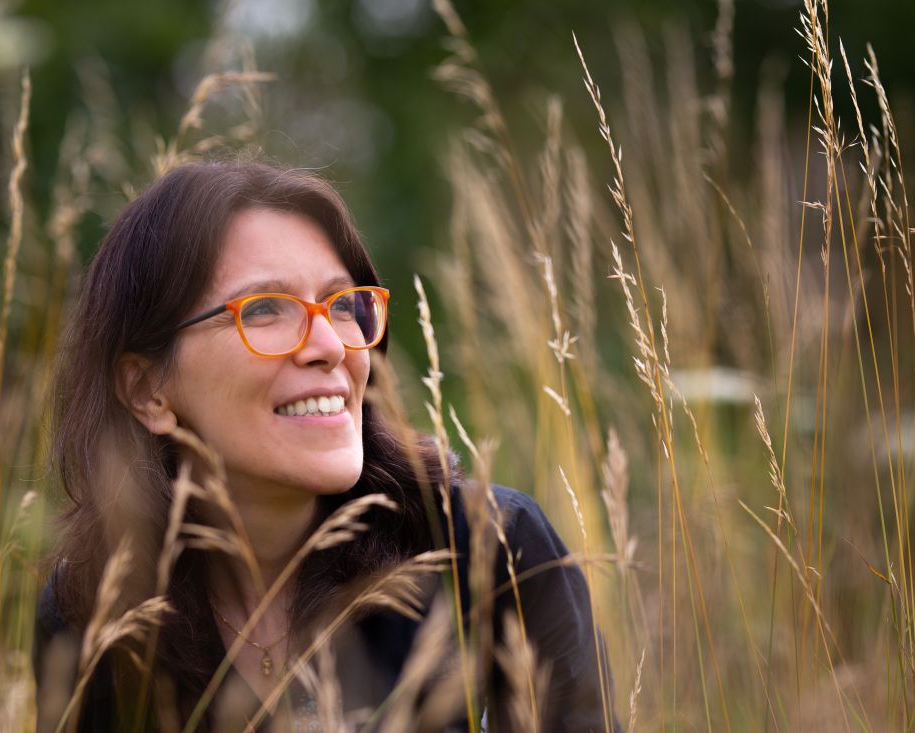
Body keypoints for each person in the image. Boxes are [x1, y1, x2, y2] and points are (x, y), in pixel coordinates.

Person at [35, 160, 616, 732]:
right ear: (147, 390)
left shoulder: (492, 549)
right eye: (264, 309)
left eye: (342, 305)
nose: (331, 346)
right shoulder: (92, 609)